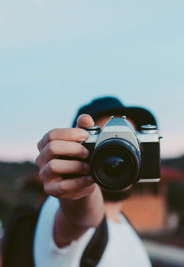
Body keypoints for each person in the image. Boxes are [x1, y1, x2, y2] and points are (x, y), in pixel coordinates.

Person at [34, 96, 157, 267]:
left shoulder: (124, 224)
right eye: (105, 140)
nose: (120, 153)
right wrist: (77, 184)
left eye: (129, 139)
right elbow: (80, 215)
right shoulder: (59, 205)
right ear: (78, 149)